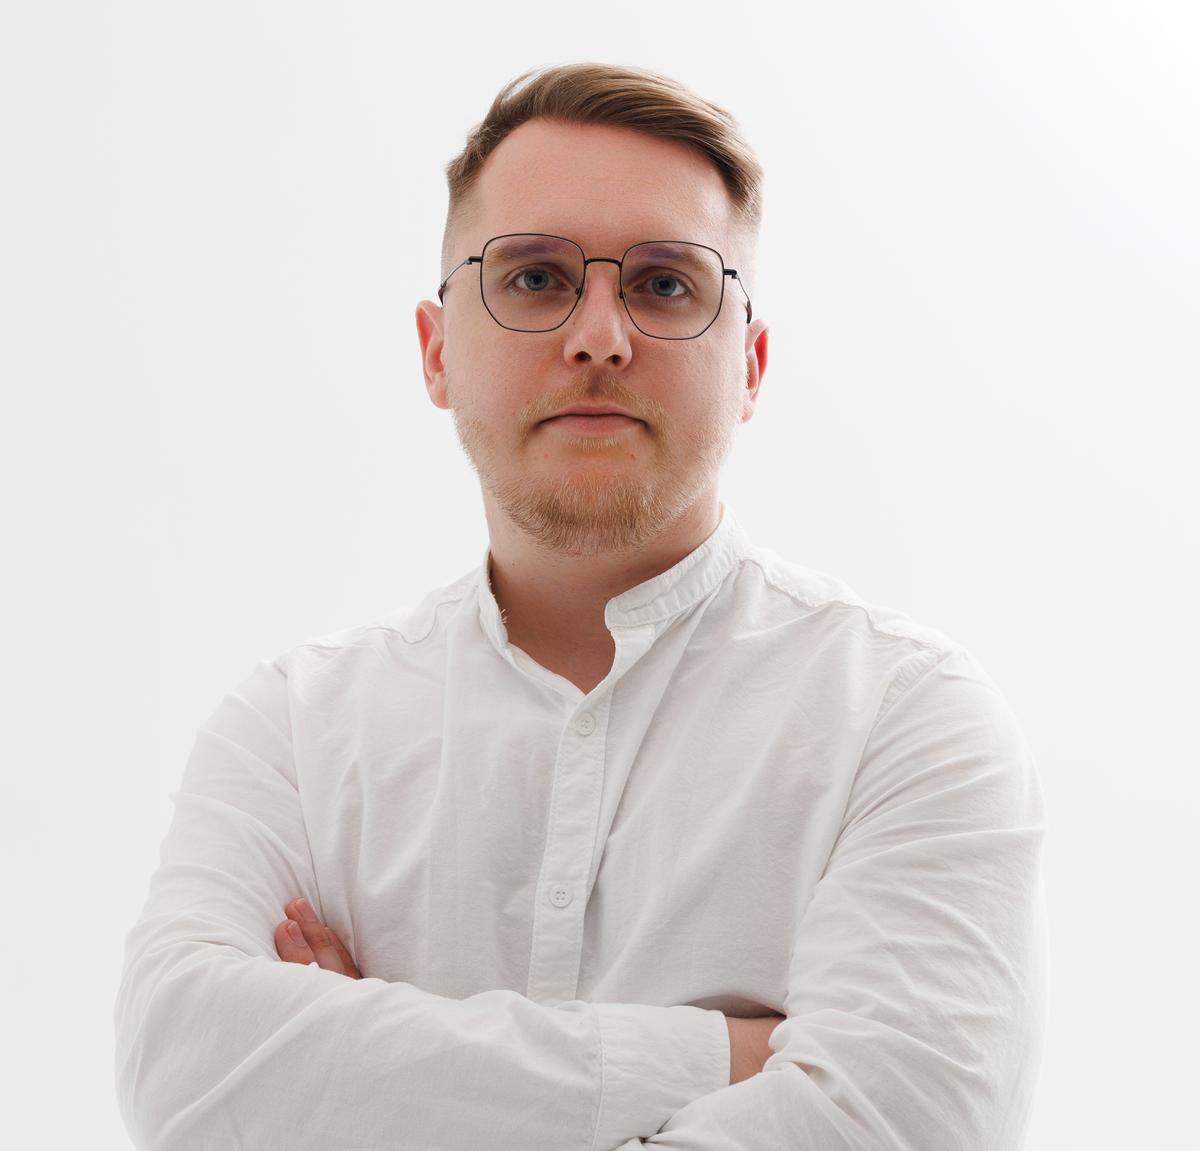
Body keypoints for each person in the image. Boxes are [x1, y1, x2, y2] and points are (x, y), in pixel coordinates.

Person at [114, 62, 1048, 1150]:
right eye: (534, 277)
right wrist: (728, 1055)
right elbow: (182, 1070)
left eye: (664, 285)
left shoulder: (908, 720)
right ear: (436, 352)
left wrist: (368, 1079)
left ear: (750, 365)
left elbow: (903, 1120)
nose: (599, 335)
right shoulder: (290, 731)